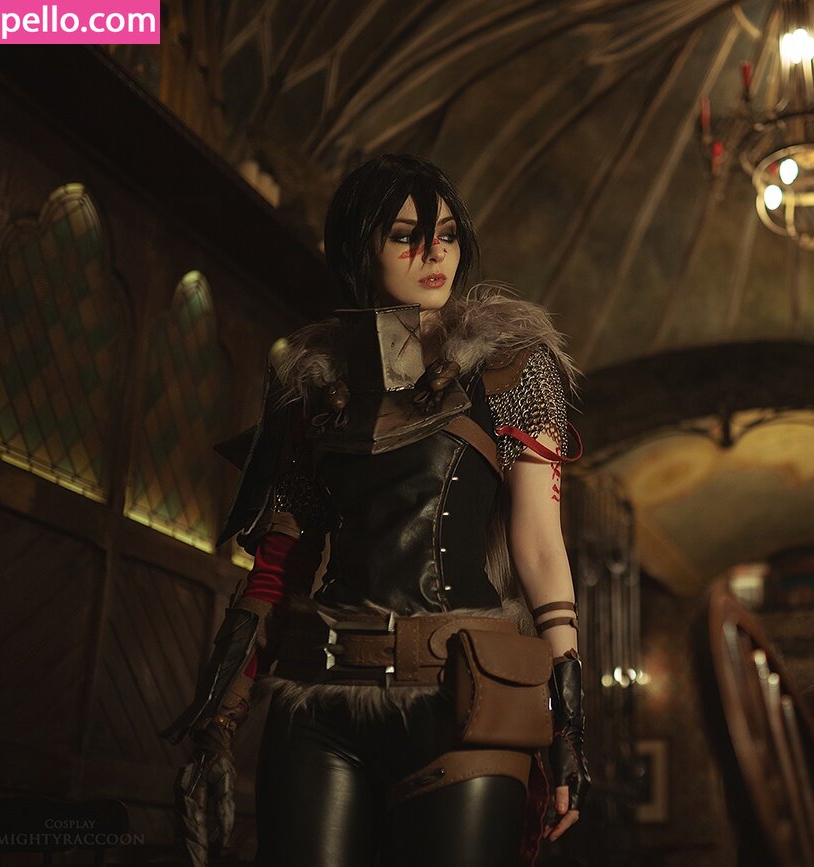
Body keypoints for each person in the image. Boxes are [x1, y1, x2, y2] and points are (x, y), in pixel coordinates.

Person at [161, 154, 590, 867]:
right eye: (406, 236)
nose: (434, 254)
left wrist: (570, 715)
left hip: (464, 698)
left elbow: (541, 546)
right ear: (361, 246)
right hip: (320, 700)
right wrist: (218, 719)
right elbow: (281, 559)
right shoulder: (314, 381)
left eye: (446, 235)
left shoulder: (512, 366)